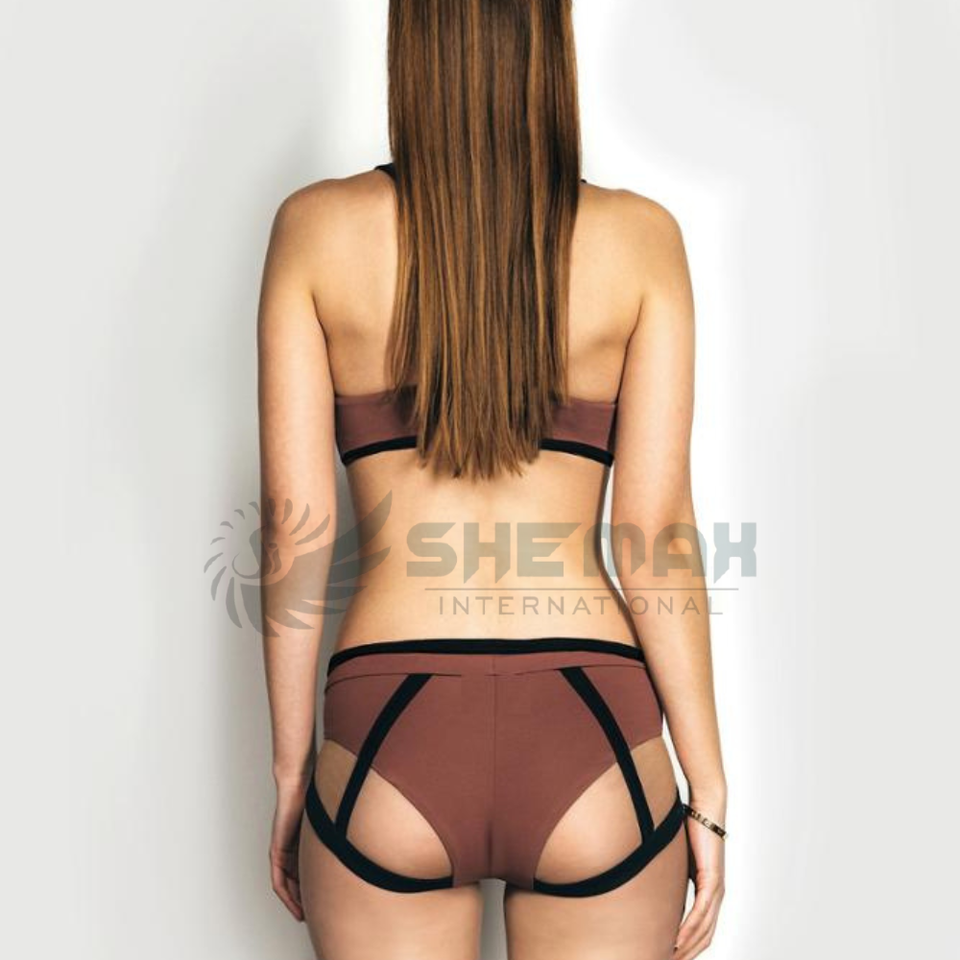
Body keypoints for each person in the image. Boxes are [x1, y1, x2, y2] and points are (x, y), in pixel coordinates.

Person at [256, 2, 726, 958]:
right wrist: (706, 789)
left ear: (411, 46)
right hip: (591, 723)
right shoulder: (640, 240)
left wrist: (293, 770)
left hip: (390, 727)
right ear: (550, 45)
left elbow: (291, 532)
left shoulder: (316, 230)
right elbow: (655, 537)